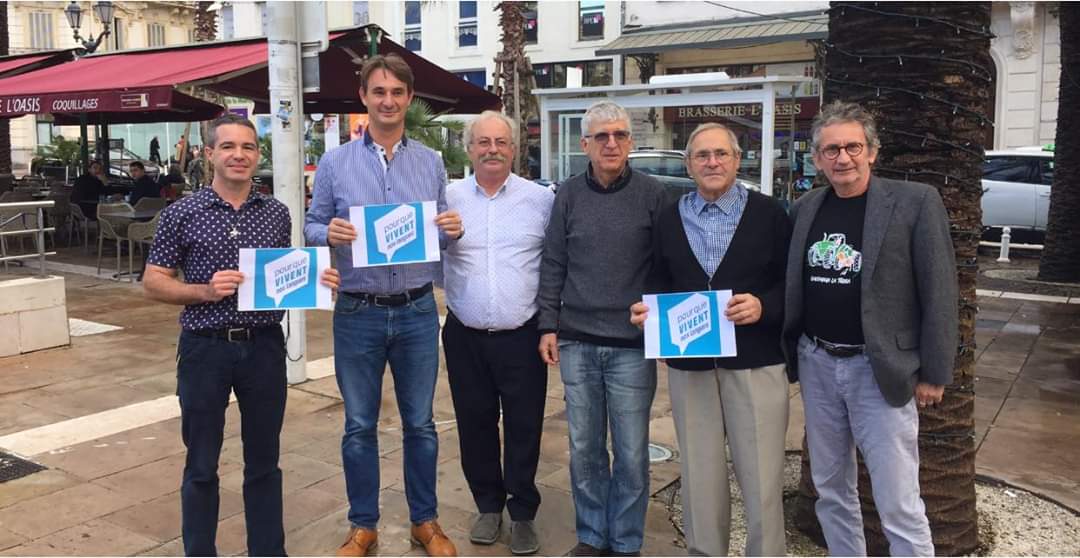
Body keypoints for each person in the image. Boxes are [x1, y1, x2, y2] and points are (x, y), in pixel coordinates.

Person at [142, 113, 341, 556]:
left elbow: (278, 280)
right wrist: (202, 291)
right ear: (209, 154)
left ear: (257, 155)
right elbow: (153, 281)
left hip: (264, 348)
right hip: (204, 350)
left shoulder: (276, 212)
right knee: (201, 463)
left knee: (264, 463)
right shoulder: (182, 213)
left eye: (248, 147)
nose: (239, 155)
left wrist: (314, 281)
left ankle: (268, 551)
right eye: (228, 147)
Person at [781, 100, 958, 556]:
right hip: (817, 363)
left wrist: (935, 371)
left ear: (872, 151)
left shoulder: (915, 203)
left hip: (879, 370)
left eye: (853, 147)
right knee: (831, 489)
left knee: (898, 498)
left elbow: (940, 290)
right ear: (817, 158)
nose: (843, 158)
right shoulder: (805, 209)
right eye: (832, 149)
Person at [304, 53, 463, 558]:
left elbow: (441, 229)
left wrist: (452, 230)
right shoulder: (334, 163)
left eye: (397, 92)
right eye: (379, 92)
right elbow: (311, 225)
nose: (388, 101)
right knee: (358, 425)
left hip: (417, 309)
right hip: (358, 310)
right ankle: (363, 526)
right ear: (364, 98)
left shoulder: (432, 163)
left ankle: (425, 521)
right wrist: (325, 232)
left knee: (421, 422)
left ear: (409, 99)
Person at [629, 122, 791, 556]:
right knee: (700, 477)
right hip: (692, 365)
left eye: (721, 154)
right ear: (689, 165)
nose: (712, 162)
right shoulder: (669, 216)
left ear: (738, 160)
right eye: (702, 156)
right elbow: (659, 280)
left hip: (755, 364)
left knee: (760, 478)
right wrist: (648, 314)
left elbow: (792, 285)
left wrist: (763, 306)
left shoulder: (770, 214)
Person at [537, 101, 667, 557]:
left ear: (631, 143)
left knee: (631, 453)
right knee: (585, 449)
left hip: (632, 347)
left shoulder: (653, 194)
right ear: (584, 144)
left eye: (619, 135)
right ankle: (592, 536)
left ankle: (627, 542)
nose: (611, 143)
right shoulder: (568, 195)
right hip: (576, 341)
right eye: (601, 136)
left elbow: (666, 264)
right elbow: (554, 261)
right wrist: (547, 325)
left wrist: (654, 306)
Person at [442, 111, 554, 556]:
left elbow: (555, 266)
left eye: (501, 142)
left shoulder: (540, 199)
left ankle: (523, 511)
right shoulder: (446, 198)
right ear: (469, 148)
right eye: (483, 141)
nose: (492, 149)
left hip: (522, 335)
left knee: (525, 425)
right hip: (465, 334)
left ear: (514, 148)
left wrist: (551, 324)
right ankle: (488, 505)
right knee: (474, 423)